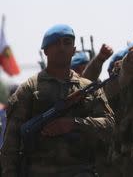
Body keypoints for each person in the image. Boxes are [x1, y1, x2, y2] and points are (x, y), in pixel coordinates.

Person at [1, 24, 114, 176]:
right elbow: (11, 145)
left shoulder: (87, 88)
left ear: (73, 50)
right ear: (45, 50)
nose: (61, 48)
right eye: (55, 43)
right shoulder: (29, 89)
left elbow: (110, 125)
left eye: (67, 42)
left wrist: (74, 124)